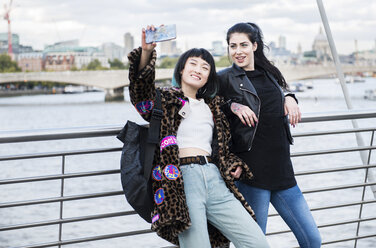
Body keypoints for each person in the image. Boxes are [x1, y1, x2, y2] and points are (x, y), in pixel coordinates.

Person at [128, 25, 269, 248]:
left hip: (215, 178)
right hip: (182, 179)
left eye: (205, 67)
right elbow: (140, 92)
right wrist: (146, 52)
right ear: (181, 70)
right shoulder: (165, 100)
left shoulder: (213, 107)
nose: (198, 69)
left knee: (257, 242)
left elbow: (221, 146)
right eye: (193, 64)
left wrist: (232, 163)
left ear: (208, 77)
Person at [217, 22, 322, 248]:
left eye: (243, 44)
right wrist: (232, 106)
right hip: (251, 173)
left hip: (282, 170)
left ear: (255, 45)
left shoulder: (270, 73)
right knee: (255, 244)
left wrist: (290, 96)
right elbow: (207, 106)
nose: (238, 51)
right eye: (232, 46)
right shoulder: (224, 78)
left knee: (312, 240)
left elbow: (279, 91)